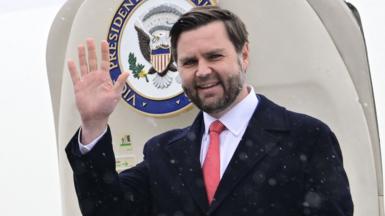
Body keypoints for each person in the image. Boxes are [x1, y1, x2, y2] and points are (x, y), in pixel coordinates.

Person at [66, 6, 353, 216]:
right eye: (189, 62)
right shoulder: (163, 153)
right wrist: (94, 124)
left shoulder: (307, 137)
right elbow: (105, 209)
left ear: (244, 55)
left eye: (214, 56)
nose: (203, 71)